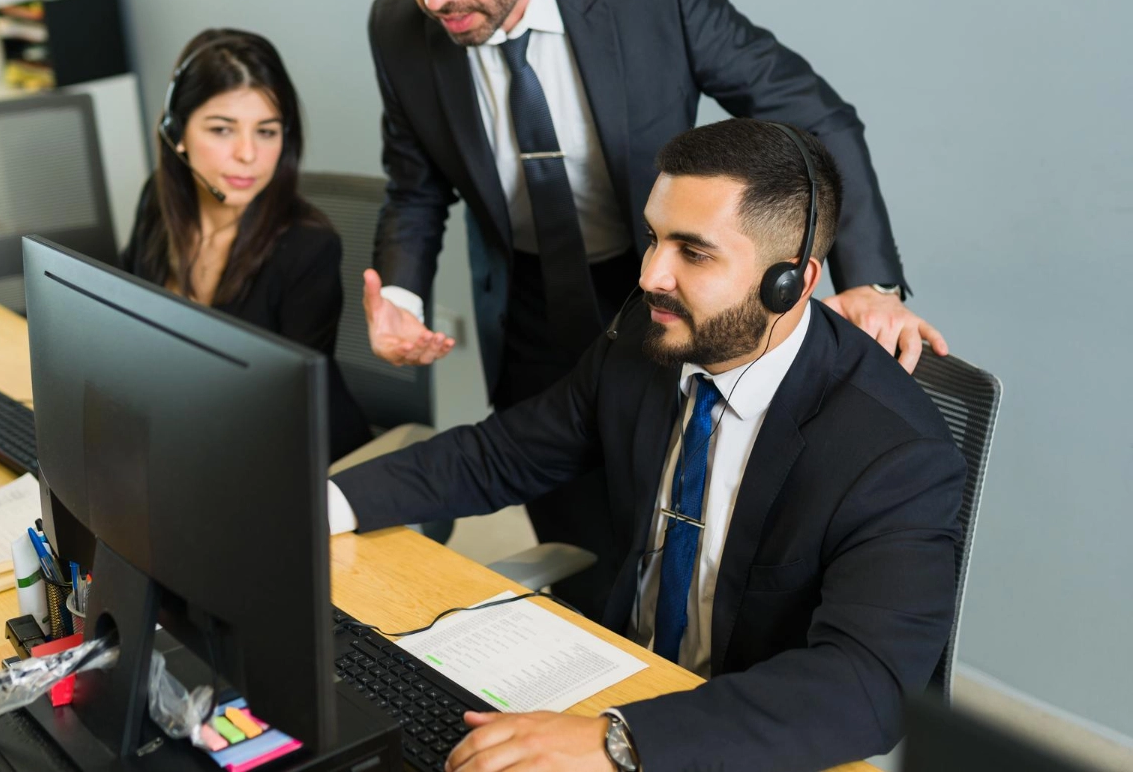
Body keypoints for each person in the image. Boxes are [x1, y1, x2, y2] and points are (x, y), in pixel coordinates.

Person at [362, 0, 948, 614]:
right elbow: (416, 184)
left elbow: (813, 113)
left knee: (694, 546)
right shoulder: (397, 28)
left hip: (670, 293)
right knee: (589, 572)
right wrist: (397, 291)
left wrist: (870, 283)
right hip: (529, 318)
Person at [332, 119, 965, 772]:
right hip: (620, 678)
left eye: (693, 252)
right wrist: (323, 503)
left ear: (791, 283)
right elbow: (504, 453)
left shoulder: (896, 455)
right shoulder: (651, 333)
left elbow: (866, 685)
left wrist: (622, 739)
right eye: (653, 237)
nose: (651, 274)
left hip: (739, 740)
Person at [120, 28, 371, 461]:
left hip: (295, 461)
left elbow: (288, 408)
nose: (248, 154)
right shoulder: (157, 201)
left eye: (267, 132)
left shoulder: (309, 247)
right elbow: (119, 321)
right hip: (185, 434)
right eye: (222, 130)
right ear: (176, 132)